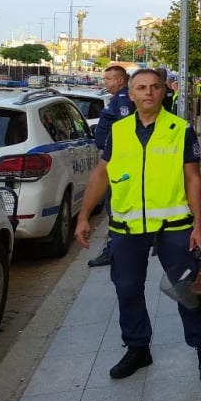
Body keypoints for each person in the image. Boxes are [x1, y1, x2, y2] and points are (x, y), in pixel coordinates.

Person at [74, 68, 201, 383]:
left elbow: (193, 179)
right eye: (141, 88)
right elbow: (102, 174)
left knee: (188, 290)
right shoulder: (119, 130)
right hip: (128, 229)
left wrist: (199, 225)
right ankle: (138, 348)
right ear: (130, 94)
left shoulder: (179, 129)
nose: (149, 93)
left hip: (174, 226)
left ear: (163, 92)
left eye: (155, 87)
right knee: (127, 290)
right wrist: (84, 216)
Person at [87, 65, 137, 268]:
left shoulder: (124, 100)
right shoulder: (119, 99)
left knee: (114, 208)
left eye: (108, 79)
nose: (105, 82)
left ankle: (113, 251)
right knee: (114, 207)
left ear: (120, 81)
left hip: (117, 162)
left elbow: (125, 132)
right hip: (115, 160)